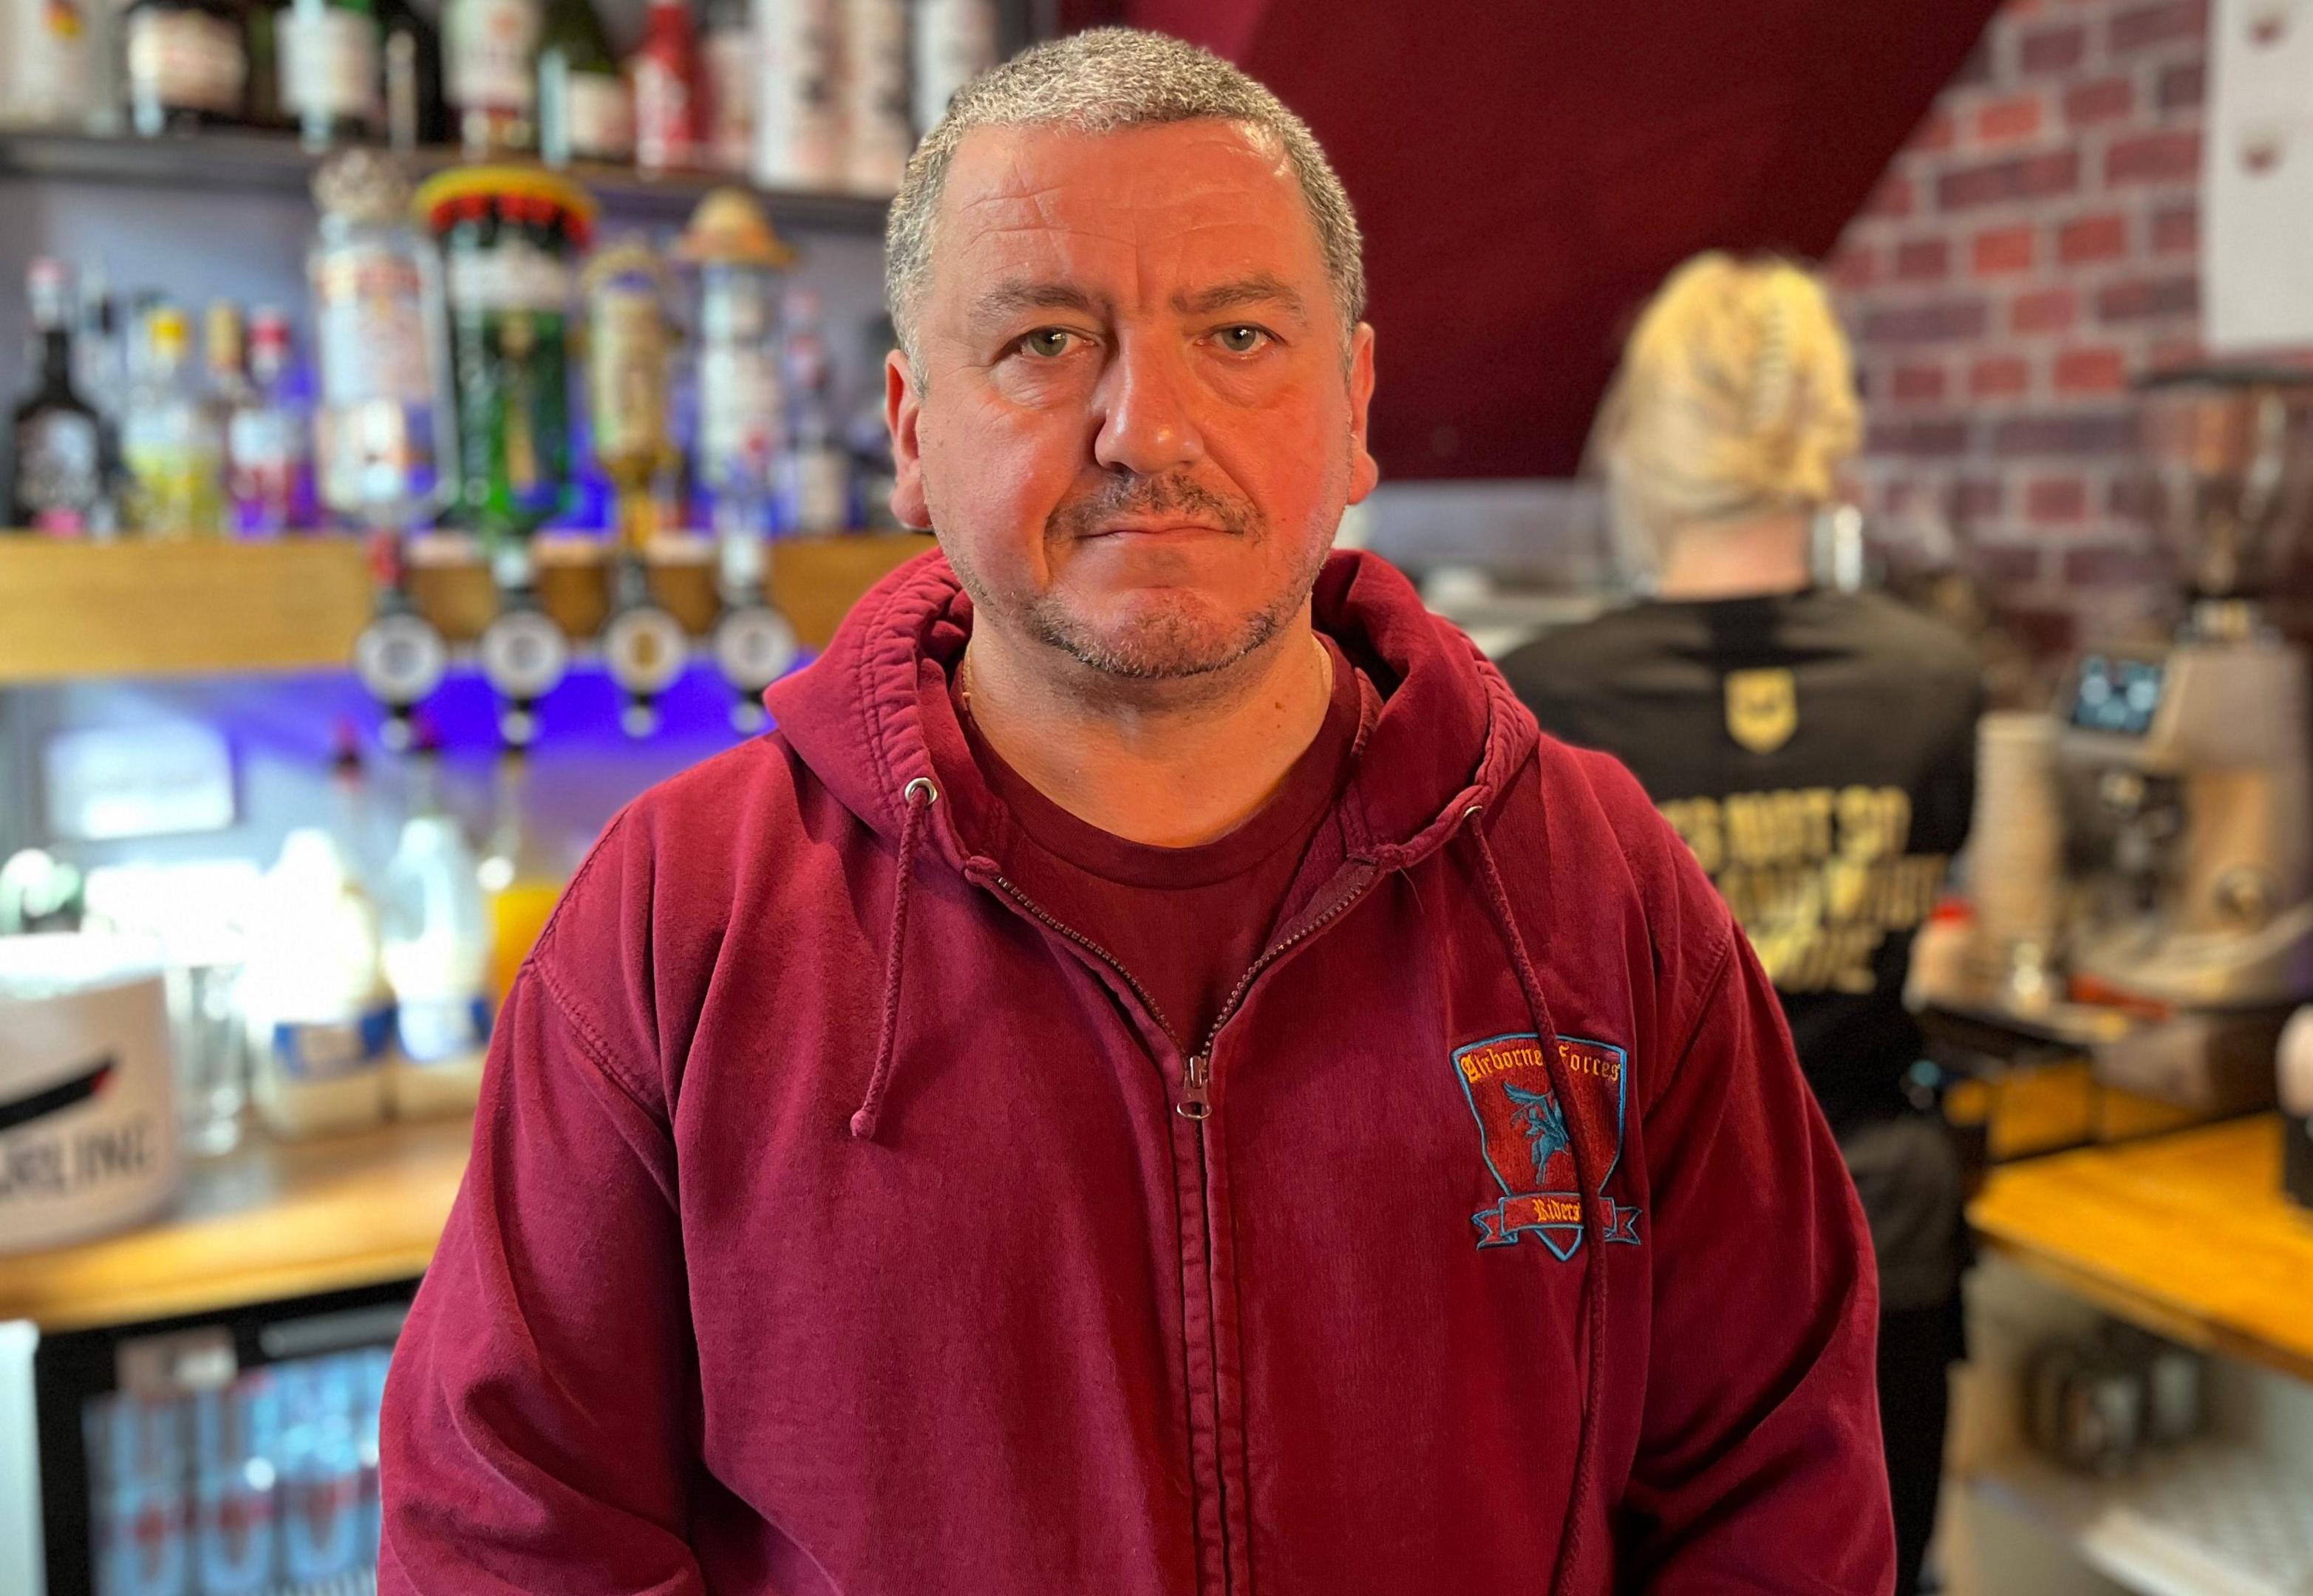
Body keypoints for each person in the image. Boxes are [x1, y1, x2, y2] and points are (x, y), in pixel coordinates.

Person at [378, 30, 1896, 1595]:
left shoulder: (1598, 881)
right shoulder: (677, 913)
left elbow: (1780, 1493)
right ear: (910, 431)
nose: (1148, 428)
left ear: (1357, 402)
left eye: (1239, 334)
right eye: (1043, 340)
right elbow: (508, 1536)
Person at [1502, 254, 1984, 1596]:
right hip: (1878, 1225)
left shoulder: (1543, 695)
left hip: (1641, 1256)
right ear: (1829, 434)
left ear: (1644, 441)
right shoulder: (1936, 681)